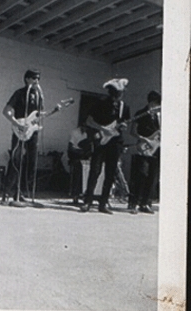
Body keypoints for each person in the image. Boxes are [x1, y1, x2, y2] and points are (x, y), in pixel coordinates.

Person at [80, 78, 130, 214]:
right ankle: (87, 202)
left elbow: (123, 124)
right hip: (101, 141)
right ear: (113, 92)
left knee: (110, 173)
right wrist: (103, 129)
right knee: (95, 171)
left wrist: (123, 126)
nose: (121, 95)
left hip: (115, 143)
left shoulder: (124, 107)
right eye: (119, 92)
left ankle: (103, 204)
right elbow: (89, 121)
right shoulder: (101, 103)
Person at [1, 69, 45, 205]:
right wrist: (16, 123)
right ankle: (7, 192)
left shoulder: (38, 96)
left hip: (33, 131)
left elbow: (39, 114)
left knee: (31, 160)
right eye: (34, 78)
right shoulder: (20, 93)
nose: (37, 81)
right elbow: (6, 110)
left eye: (38, 78)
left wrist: (55, 110)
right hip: (20, 129)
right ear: (27, 79)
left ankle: (20, 192)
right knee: (16, 159)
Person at [128, 90, 161, 214]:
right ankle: (134, 203)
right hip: (144, 146)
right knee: (141, 175)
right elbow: (132, 131)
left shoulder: (160, 117)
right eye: (157, 104)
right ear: (152, 103)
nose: (159, 107)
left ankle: (145, 203)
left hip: (156, 148)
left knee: (152, 176)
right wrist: (143, 139)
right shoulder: (141, 113)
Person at [67, 124, 93, 203]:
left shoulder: (88, 133)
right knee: (77, 171)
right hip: (75, 155)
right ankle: (75, 194)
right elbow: (70, 147)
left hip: (85, 156)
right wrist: (80, 152)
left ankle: (87, 195)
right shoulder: (75, 132)